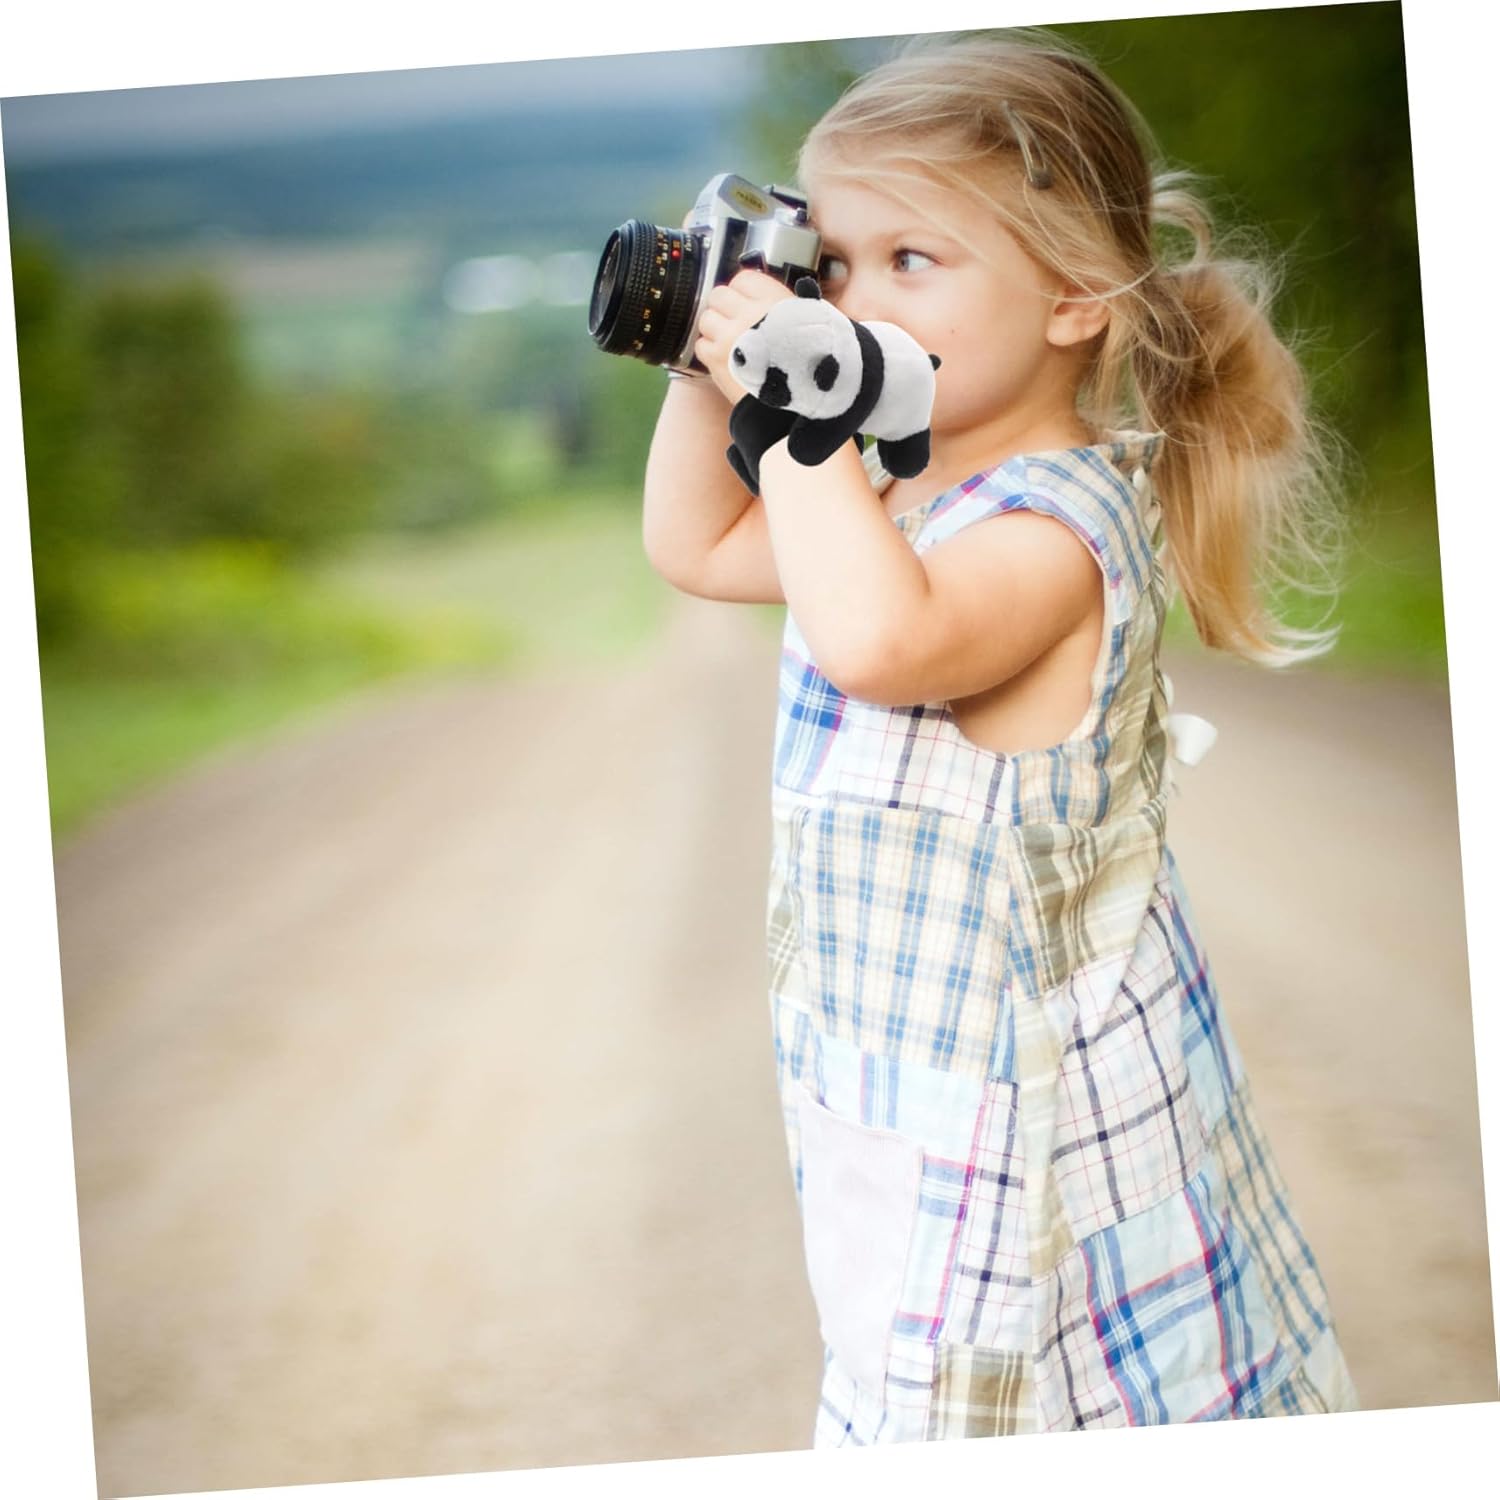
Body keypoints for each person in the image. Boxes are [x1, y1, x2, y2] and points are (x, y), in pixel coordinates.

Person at [641, 28, 1360, 1444]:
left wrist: (792, 413)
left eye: (911, 260)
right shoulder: (891, 499)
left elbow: (883, 641)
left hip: (1045, 1151)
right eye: (832, 265)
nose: (853, 301)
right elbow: (698, 548)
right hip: (910, 1092)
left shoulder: (1061, 525)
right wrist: (702, 358)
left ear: (1076, 299)